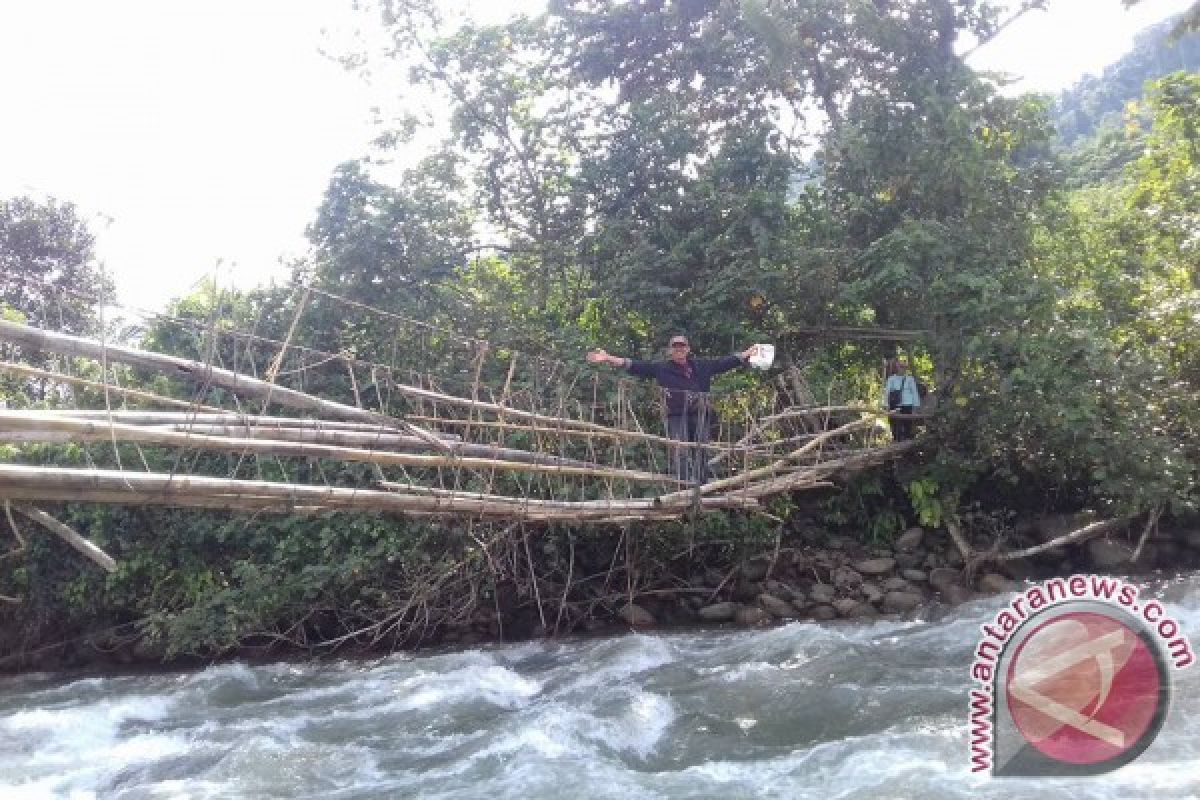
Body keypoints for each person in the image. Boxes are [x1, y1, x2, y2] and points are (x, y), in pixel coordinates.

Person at [588, 335, 759, 484]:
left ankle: (702, 485)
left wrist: (745, 354)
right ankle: (684, 485)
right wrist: (608, 358)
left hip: (700, 414)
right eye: (675, 347)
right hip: (677, 415)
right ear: (670, 350)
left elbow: (724, 363)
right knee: (681, 450)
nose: (679, 350)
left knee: (701, 449)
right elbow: (634, 365)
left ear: (688, 349)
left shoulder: (701, 366)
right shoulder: (662, 368)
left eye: (682, 346)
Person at [882, 356, 921, 441]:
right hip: (894, 405)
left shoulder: (910, 379)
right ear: (897, 368)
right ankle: (896, 441)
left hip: (907, 405)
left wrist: (916, 406)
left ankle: (907, 442)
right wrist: (885, 404)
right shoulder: (891, 379)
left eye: (904, 367)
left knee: (907, 425)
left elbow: (914, 392)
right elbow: (887, 392)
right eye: (900, 367)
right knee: (894, 425)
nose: (902, 369)